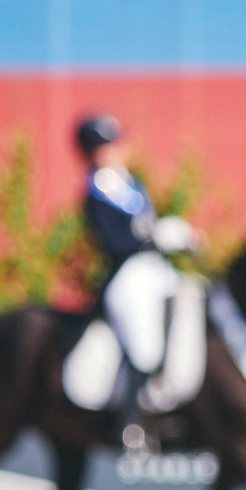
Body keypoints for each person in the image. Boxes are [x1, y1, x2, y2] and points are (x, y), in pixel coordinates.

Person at [75, 112, 197, 446]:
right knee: (143, 342)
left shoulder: (131, 183)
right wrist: (153, 237)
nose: (115, 150)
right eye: (105, 145)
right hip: (127, 273)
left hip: (153, 268)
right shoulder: (96, 190)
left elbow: (148, 223)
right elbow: (118, 239)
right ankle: (131, 420)